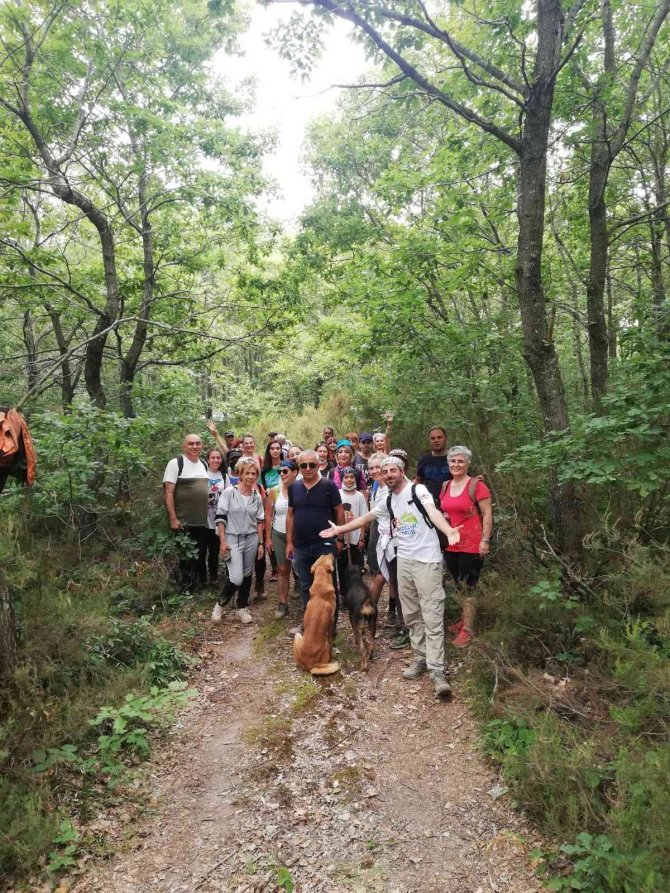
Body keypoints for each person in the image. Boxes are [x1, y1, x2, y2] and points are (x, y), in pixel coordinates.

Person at [321, 456, 461, 699]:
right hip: (403, 560)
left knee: (432, 613)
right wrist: (339, 530)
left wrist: (448, 530)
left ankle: (437, 671)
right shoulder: (387, 498)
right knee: (411, 613)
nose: (388, 475)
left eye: (392, 470)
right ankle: (420, 658)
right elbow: (366, 519)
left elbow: (432, 512)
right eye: (384, 471)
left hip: (427, 560)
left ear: (401, 470)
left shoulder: (418, 490)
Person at [440, 446, 493, 647]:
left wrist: (485, 540)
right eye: (453, 461)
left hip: (472, 544)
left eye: (460, 461)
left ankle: (468, 629)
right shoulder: (446, 485)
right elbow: (445, 511)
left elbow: (487, 514)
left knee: (469, 585)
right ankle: (465, 619)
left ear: (468, 463)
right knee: (458, 584)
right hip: (452, 544)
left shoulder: (476, 486)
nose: (456, 464)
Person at [286, 450, 345, 614]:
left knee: (328, 585)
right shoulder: (294, 487)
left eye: (312, 464)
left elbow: (339, 511)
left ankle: (330, 627)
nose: (308, 468)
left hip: (324, 545)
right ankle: (309, 623)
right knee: (305, 585)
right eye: (303, 465)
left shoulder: (328, 485)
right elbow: (290, 515)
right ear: (299, 467)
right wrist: (289, 542)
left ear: (318, 465)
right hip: (301, 545)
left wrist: (340, 538)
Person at [213, 458, 266, 624]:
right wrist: (222, 541)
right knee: (236, 577)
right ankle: (220, 605)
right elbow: (220, 517)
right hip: (232, 537)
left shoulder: (256, 496)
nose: (250, 476)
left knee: (247, 574)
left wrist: (261, 543)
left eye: (253, 473)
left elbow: (259, 521)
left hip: (251, 538)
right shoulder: (230, 492)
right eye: (247, 473)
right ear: (240, 474)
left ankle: (241, 608)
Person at [163, 434, 210, 592]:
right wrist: (173, 518)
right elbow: (168, 493)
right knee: (185, 557)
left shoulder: (203, 463)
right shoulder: (176, 463)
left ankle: (197, 585)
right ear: (184, 446)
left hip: (202, 521)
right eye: (191, 444)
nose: (195, 446)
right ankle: (186, 589)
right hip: (183, 521)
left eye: (198, 443)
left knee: (200, 555)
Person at [265, 459, 299, 619]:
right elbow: (268, 515)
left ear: (295, 473)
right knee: (282, 569)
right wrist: (267, 538)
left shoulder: (300, 490)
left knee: (300, 569)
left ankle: (305, 596)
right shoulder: (274, 491)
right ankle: (283, 603)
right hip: (279, 534)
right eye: (280, 472)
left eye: (285, 471)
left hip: (298, 535)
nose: (282, 474)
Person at [338, 467, 368, 584]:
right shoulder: (338, 494)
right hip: (342, 537)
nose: (349, 480)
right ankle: (344, 591)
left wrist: (362, 538)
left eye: (352, 477)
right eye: (346, 477)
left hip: (355, 538)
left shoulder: (359, 496)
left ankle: (356, 590)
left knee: (356, 566)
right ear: (342, 479)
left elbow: (363, 518)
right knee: (342, 565)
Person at [205, 446, 230, 585]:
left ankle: (230, 576)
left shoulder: (224, 475)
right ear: (208, 459)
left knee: (226, 547)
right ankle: (213, 578)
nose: (216, 460)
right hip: (207, 519)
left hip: (222, 519)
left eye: (218, 457)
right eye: (213, 457)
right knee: (212, 551)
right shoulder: (203, 475)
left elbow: (228, 495)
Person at [415, 426, 451, 501]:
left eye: (439, 437)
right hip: (429, 504)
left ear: (445, 438)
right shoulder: (424, 460)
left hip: (451, 503)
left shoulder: (454, 459)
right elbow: (418, 482)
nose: (436, 440)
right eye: (433, 438)